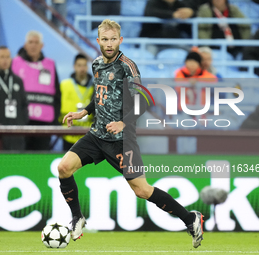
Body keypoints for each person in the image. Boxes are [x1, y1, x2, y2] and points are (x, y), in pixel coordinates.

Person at [58, 19, 204, 248]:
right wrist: (84, 112)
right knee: (64, 167)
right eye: (104, 39)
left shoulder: (127, 66)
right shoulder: (96, 64)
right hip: (97, 136)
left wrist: (123, 123)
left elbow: (144, 100)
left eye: (113, 39)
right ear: (98, 41)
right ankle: (77, 218)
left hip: (122, 141)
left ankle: (191, 218)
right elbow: (100, 95)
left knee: (143, 191)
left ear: (120, 40)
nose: (109, 44)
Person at [11, 31, 61, 151]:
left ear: (42, 45)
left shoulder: (50, 64)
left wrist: (55, 121)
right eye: (30, 42)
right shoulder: (15, 63)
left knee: (41, 159)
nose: (33, 45)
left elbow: (57, 94)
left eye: (36, 42)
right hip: (21, 121)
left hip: (44, 123)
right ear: (25, 45)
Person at [59, 53, 94, 151]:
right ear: (74, 67)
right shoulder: (64, 85)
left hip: (88, 135)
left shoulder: (95, 87)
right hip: (68, 134)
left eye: (84, 65)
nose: (82, 69)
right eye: (79, 65)